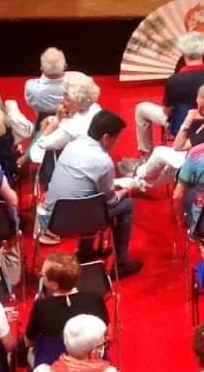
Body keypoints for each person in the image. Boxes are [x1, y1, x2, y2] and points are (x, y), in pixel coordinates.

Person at [39, 109, 139, 278]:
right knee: (127, 205)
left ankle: (85, 251)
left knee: (87, 197)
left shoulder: (71, 145)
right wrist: (126, 191)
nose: (117, 141)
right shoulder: (104, 162)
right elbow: (111, 201)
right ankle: (121, 262)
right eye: (116, 138)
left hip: (53, 220)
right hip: (82, 220)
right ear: (106, 137)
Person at [133, 32, 204, 153]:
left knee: (141, 109)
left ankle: (146, 154)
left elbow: (167, 110)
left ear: (183, 53)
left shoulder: (174, 80)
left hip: (182, 125)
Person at [26, 254, 108, 347]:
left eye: (43, 275)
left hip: (54, 355)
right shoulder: (95, 298)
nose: (41, 275)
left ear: (54, 285)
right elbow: (106, 333)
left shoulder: (41, 306)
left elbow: (30, 342)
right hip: (92, 353)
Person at [28, 71, 102, 166]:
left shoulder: (69, 129)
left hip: (74, 165)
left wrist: (56, 120)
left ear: (77, 102)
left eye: (67, 99)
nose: (62, 100)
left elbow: (36, 151)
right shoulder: (95, 107)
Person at [23, 46, 70, 119]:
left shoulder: (31, 87)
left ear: (41, 68)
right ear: (65, 66)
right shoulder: (78, 85)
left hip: (42, 123)